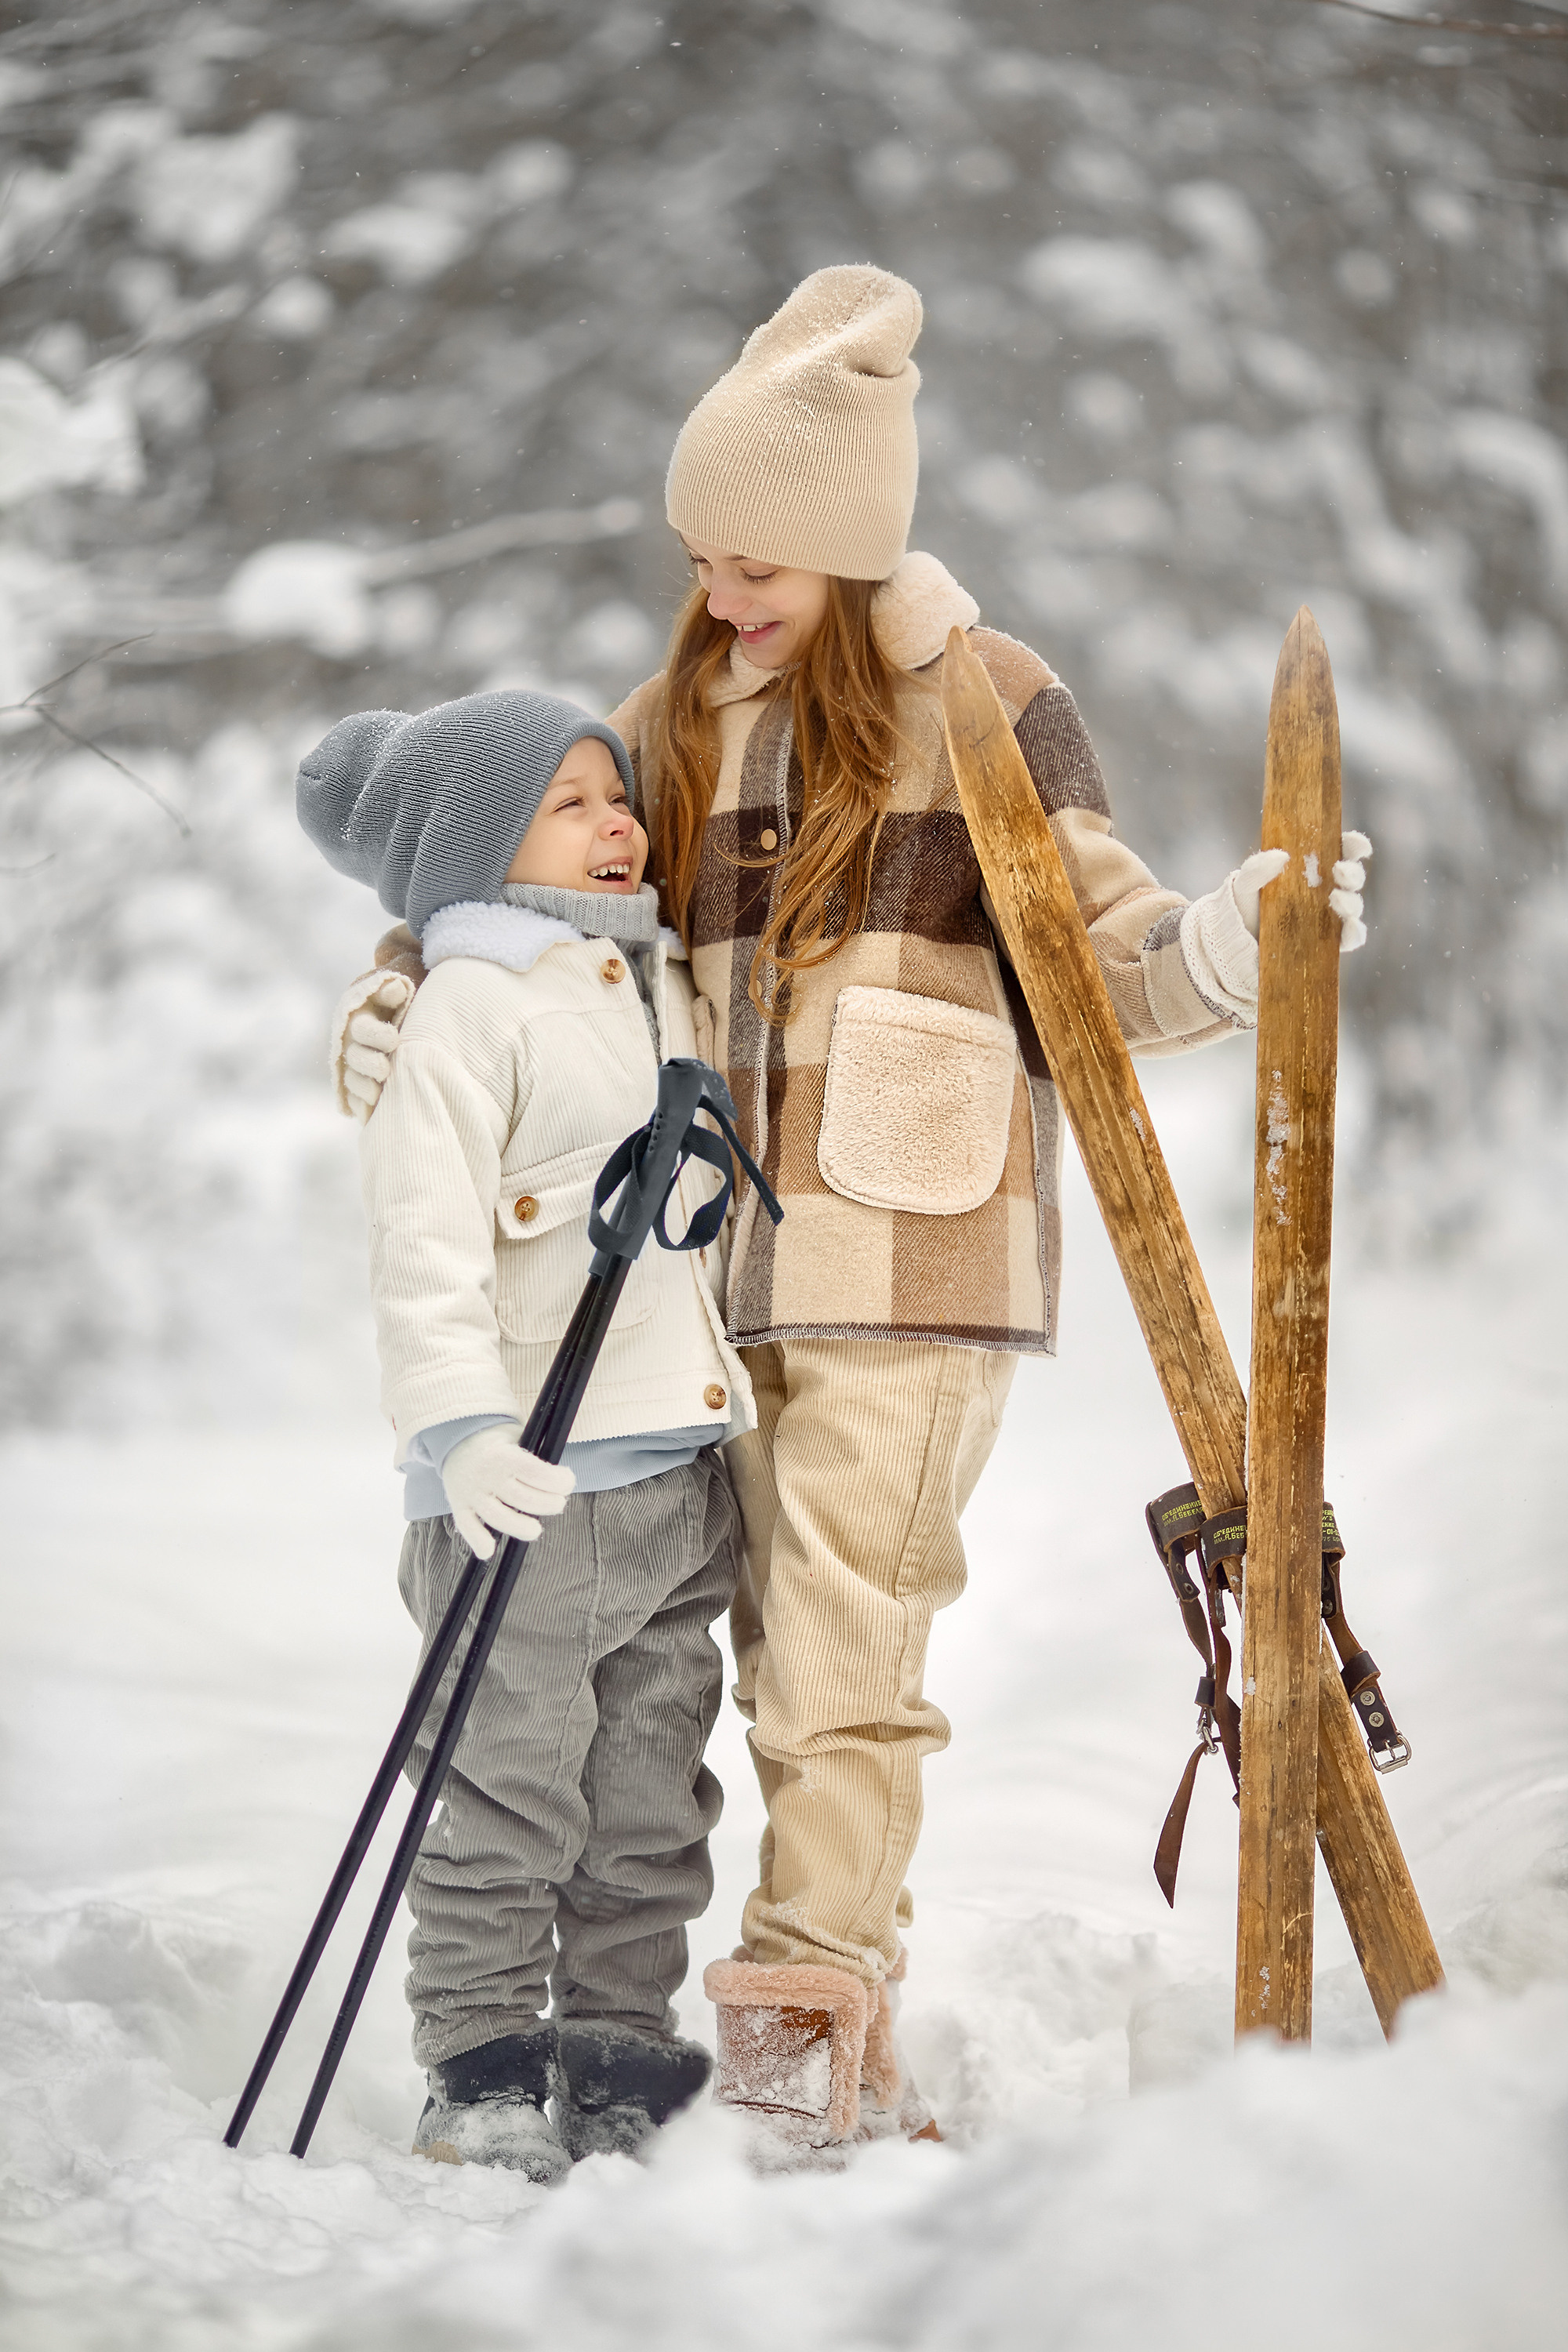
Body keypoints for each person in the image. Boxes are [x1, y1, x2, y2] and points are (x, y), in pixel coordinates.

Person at [335, 267, 1370, 2164]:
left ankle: (804, 2042)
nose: (723, 590)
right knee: (685, 1673)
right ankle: (644, 2028)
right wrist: (406, 997)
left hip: (910, 1258)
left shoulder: (978, 700)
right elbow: (537, 921)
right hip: (688, 1298)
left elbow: (1104, 950)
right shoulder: (663, 718)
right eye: (704, 553)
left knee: (833, 1666)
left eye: (759, 561)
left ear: (846, 540)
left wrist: (1231, 944)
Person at [299, 688, 752, 2181]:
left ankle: (620, 2046)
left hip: (673, 1473)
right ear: (480, 851)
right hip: (524, 1489)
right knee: (504, 1784)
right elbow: (421, 1247)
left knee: (648, 1790)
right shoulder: (465, 1011)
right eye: (571, 801)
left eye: (615, 795)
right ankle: (484, 2061)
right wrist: (460, 1431)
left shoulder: (647, 975)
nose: (619, 822)